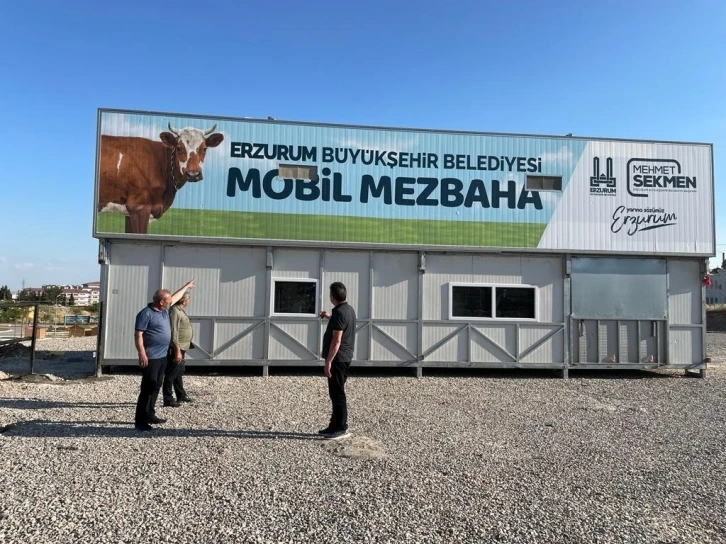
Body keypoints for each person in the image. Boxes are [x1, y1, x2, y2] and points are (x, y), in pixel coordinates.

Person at [134, 279, 194, 431]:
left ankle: (150, 414)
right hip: (151, 357)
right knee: (148, 387)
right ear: (161, 302)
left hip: (162, 356)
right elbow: (138, 335)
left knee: (156, 386)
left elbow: (174, 296)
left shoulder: (164, 310)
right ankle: (140, 420)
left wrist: (186, 286)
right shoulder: (145, 314)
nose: (171, 302)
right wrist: (142, 353)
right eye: (168, 301)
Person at [318, 282, 356, 440]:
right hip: (344, 358)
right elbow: (339, 323)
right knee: (334, 393)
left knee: (338, 393)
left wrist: (328, 361)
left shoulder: (340, 313)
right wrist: (328, 317)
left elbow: (337, 340)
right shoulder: (348, 310)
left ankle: (342, 427)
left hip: (338, 359)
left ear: (332, 297)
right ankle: (333, 425)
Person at [162, 291, 194, 407]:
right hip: (177, 347)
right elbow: (173, 330)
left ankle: (181, 394)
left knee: (178, 372)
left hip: (182, 346)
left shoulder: (180, 310)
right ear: (184, 301)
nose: (188, 301)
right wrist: (177, 350)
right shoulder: (175, 311)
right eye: (188, 299)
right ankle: (168, 398)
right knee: (171, 372)